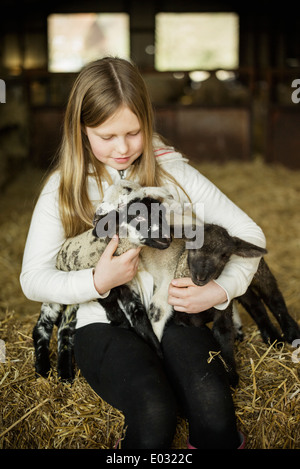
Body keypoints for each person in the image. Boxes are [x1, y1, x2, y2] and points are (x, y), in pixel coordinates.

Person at [20, 57, 265, 449]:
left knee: (214, 412)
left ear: (148, 122)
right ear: (81, 130)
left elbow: (249, 233)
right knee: (154, 411)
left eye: (134, 133)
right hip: (102, 321)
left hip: (171, 311)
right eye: (106, 136)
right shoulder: (63, 188)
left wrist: (220, 291)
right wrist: (97, 281)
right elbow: (32, 279)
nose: (122, 149)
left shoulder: (172, 173)